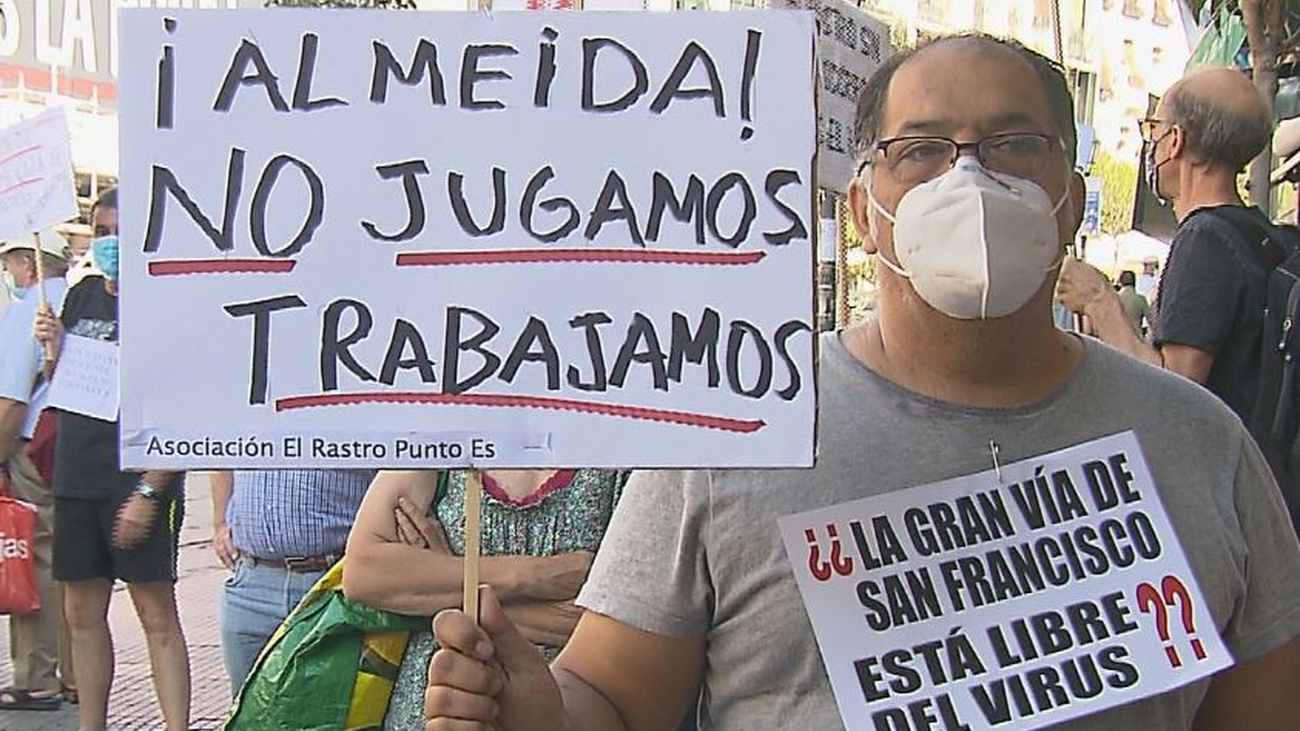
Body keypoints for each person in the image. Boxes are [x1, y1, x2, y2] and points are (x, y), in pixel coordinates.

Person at [424, 35, 1300, 731]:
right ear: (864, 209)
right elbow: (612, 697)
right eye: (920, 150)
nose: (970, 175)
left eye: (1013, 145)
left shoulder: (1199, 442)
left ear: (1071, 197)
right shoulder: (745, 428)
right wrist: (535, 710)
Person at [34, 188, 192, 731]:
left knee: (156, 616)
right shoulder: (80, 298)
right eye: (101, 232)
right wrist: (53, 350)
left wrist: (151, 491)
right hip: (76, 476)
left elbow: (183, 408)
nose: (110, 243)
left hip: (136, 482)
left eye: (120, 231)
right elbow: (69, 387)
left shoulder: (166, 303)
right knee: (81, 615)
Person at [1057, 67, 1274, 429]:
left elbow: (1174, 393)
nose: (1151, 145)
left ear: (1175, 141)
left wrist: (1099, 300)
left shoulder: (1206, 240)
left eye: (1153, 130)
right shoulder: (1258, 235)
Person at [344, 468, 624, 730]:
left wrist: (444, 582)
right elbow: (364, 572)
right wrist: (533, 576)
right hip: (434, 708)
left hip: (570, 713)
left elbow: (623, 627)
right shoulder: (447, 428)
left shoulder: (634, 449)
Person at [211, 468, 374, 694]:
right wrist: (220, 521)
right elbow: (221, 452)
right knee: (248, 714)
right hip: (252, 580)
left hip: (334, 581)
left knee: (329, 708)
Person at [0, 229, 75, 712]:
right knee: (72, 567)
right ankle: (74, 672)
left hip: (35, 449)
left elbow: (10, 400)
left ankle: (36, 675)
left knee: (35, 557)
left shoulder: (31, 309)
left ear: (28, 263)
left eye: (9, 264)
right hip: (76, 450)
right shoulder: (83, 300)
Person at [1115, 270, 1150, 336]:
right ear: (1135, 282)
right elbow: (1151, 320)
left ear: (1120, 282)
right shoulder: (1141, 299)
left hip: (1117, 336)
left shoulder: (1114, 298)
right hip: (1136, 336)